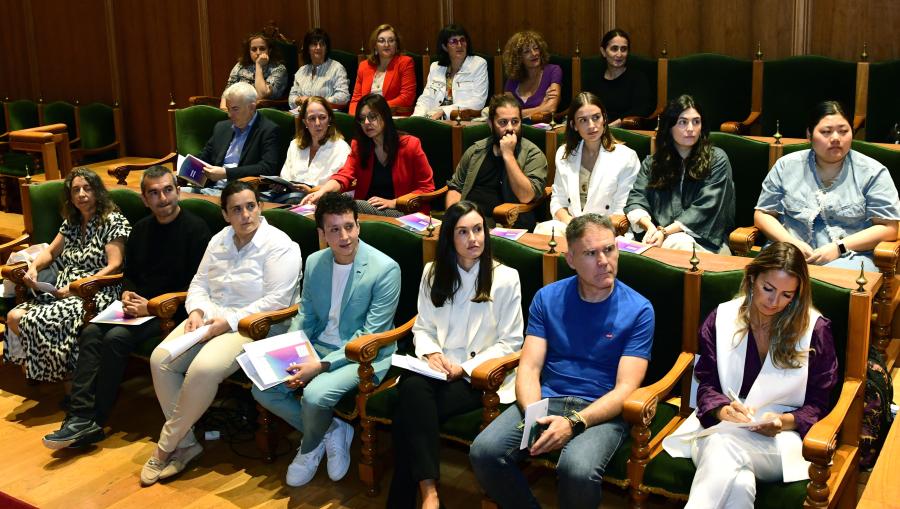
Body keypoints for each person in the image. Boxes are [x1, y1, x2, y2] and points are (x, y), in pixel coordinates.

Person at [469, 214, 654, 509]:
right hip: (548, 399)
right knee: (485, 451)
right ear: (571, 259)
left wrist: (573, 423)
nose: (604, 260)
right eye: (591, 253)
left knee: (577, 469)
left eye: (609, 249)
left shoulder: (639, 309)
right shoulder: (547, 298)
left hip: (601, 411)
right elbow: (529, 367)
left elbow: (625, 389)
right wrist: (535, 417)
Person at [141, 180, 301, 486]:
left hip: (253, 325)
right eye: (236, 210)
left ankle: (164, 449)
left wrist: (225, 323)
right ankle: (186, 444)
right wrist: (197, 312)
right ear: (225, 214)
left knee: (204, 368)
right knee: (159, 359)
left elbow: (275, 302)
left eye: (251, 206)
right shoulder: (219, 240)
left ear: (260, 207)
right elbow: (199, 283)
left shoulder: (280, 245)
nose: (245, 215)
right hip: (209, 318)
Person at [41, 166, 211, 450]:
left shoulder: (197, 230)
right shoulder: (142, 229)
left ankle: (95, 419)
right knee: (93, 331)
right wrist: (130, 294)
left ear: (178, 192)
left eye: (168, 190)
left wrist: (151, 307)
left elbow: (198, 284)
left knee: (116, 339)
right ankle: (80, 415)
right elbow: (130, 272)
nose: (163, 198)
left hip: (173, 310)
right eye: (154, 193)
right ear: (145, 199)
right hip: (136, 309)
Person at [661, 242, 838, 508]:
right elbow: (706, 382)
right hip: (718, 425)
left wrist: (782, 421)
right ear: (752, 277)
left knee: (724, 445)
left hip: (780, 441)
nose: (774, 302)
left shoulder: (814, 329)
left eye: (787, 295)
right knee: (739, 484)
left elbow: (819, 403)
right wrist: (721, 411)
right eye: (768, 289)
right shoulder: (722, 317)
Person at [252, 192, 401, 487]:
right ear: (322, 233)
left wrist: (317, 365)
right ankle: (332, 429)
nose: (344, 236)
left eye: (349, 226)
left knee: (315, 395)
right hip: (317, 346)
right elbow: (306, 315)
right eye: (334, 229)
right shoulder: (316, 261)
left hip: (364, 354)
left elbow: (370, 334)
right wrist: (291, 352)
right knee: (263, 388)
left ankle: (308, 449)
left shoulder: (385, 269)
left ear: (358, 225)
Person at [386, 201, 524, 509]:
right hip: (436, 369)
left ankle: (422, 496)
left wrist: (464, 368)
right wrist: (433, 353)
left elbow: (511, 343)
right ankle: (429, 494)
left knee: (407, 412)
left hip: (481, 376)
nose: (473, 238)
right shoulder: (431, 273)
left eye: (478, 230)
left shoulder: (506, 278)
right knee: (413, 390)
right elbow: (422, 328)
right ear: (450, 238)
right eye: (463, 232)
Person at [4, 168, 130, 384]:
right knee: (14, 317)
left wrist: (76, 287)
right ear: (70, 197)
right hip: (62, 290)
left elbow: (115, 265)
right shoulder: (72, 222)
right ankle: (54, 370)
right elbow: (51, 252)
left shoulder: (113, 221)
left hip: (96, 291)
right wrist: (33, 267)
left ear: (97, 192)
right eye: (75, 190)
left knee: (36, 319)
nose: (81, 194)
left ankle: (69, 378)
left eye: (87, 188)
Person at [754, 100, 900, 271]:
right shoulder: (786, 166)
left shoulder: (873, 172)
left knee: (833, 282)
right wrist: (791, 243)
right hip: (789, 254)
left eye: (844, 131)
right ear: (809, 135)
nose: (836, 138)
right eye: (826, 132)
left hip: (851, 257)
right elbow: (763, 214)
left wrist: (839, 247)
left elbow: (889, 228)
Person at [625, 94, 735, 253]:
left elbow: (706, 207)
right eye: (683, 122)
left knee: (678, 243)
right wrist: (649, 227)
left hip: (708, 243)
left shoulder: (717, 159)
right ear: (669, 126)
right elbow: (636, 197)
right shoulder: (653, 163)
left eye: (696, 122)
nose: (691, 129)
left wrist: (665, 232)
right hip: (658, 238)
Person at [301, 94, 434, 216]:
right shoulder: (359, 146)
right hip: (367, 211)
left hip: (403, 211)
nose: (366, 123)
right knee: (331, 204)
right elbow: (344, 175)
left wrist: (393, 202)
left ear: (385, 116)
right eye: (362, 118)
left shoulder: (410, 145)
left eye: (372, 117)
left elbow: (427, 188)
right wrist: (322, 192)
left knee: (349, 206)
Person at [536, 92, 640, 235]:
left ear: (604, 119)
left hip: (609, 231)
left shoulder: (626, 157)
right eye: (583, 120)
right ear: (574, 125)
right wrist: (570, 222)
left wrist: (590, 232)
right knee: (545, 230)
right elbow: (558, 200)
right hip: (573, 227)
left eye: (596, 118)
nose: (591, 126)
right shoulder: (564, 154)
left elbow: (622, 209)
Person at [446, 93, 547, 230]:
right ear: (490, 124)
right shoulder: (476, 150)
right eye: (503, 122)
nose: (510, 128)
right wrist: (454, 219)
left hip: (507, 224)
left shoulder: (533, 154)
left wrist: (508, 155)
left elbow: (526, 196)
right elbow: (456, 188)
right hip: (468, 221)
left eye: (515, 122)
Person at [193, 82, 281, 195]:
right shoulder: (221, 127)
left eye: (235, 109)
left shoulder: (268, 130)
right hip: (211, 188)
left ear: (252, 107)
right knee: (179, 194)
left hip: (242, 193)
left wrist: (227, 173)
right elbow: (204, 157)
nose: (230, 115)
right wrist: (187, 165)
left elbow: (267, 168)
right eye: (228, 109)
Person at [267, 96, 351, 204]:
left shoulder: (341, 148)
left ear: (329, 119)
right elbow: (286, 177)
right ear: (305, 122)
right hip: (290, 198)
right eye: (312, 118)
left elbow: (344, 188)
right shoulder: (295, 145)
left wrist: (312, 191)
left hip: (323, 203)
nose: (317, 123)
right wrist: (281, 186)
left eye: (322, 117)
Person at [413, 24, 489, 120]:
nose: (459, 45)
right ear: (445, 47)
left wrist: (445, 111)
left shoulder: (478, 64)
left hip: (461, 120)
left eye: (462, 40)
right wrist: (416, 118)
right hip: (434, 118)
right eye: (454, 41)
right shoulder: (435, 67)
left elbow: (478, 101)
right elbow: (426, 98)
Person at [349, 24, 416, 116]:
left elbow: (407, 97)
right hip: (366, 117)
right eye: (381, 41)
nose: (386, 44)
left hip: (393, 116)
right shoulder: (364, 66)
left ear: (396, 44)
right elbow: (356, 99)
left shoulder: (405, 62)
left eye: (391, 41)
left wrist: (376, 109)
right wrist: (354, 118)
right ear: (375, 46)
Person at [592, 28, 652, 127]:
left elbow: (642, 110)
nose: (619, 54)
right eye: (614, 49)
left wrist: (615, 125)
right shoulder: (594, 79)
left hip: (627, 131)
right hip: (596, 130)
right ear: (603, 52)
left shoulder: (638, 79)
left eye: (623, 49)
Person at [502, 30, 562, 120]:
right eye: (527, 52)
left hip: (543, 128)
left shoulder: (553, 71)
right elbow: (507, 112)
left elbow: (551, 108)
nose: (534, 54)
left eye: (536, 48)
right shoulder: (513, 78)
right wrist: (541, 107)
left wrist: (518, 114)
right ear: (518, 58)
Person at [219, 32, 288, 109]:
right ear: (249, 52)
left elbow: (262, 94)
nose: (258, 53)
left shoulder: (279, 69)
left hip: (263, 110)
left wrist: (258, 65)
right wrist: (224, 109)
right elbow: (228, 89)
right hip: (237, 109)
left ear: (269, 50)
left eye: (262, 49)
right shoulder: (240, 65)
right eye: (254, 49)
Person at [287, 28, 350, 109]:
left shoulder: (337, 68)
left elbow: (343, 97)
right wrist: (298, 100)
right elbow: (291, 98)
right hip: (302, 115)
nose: (318, 47)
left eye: (322, 44)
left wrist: (314, 101)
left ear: (326, 49)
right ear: (308, 48)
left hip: (326, 115)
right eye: (314, 44)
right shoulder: (301, 71)